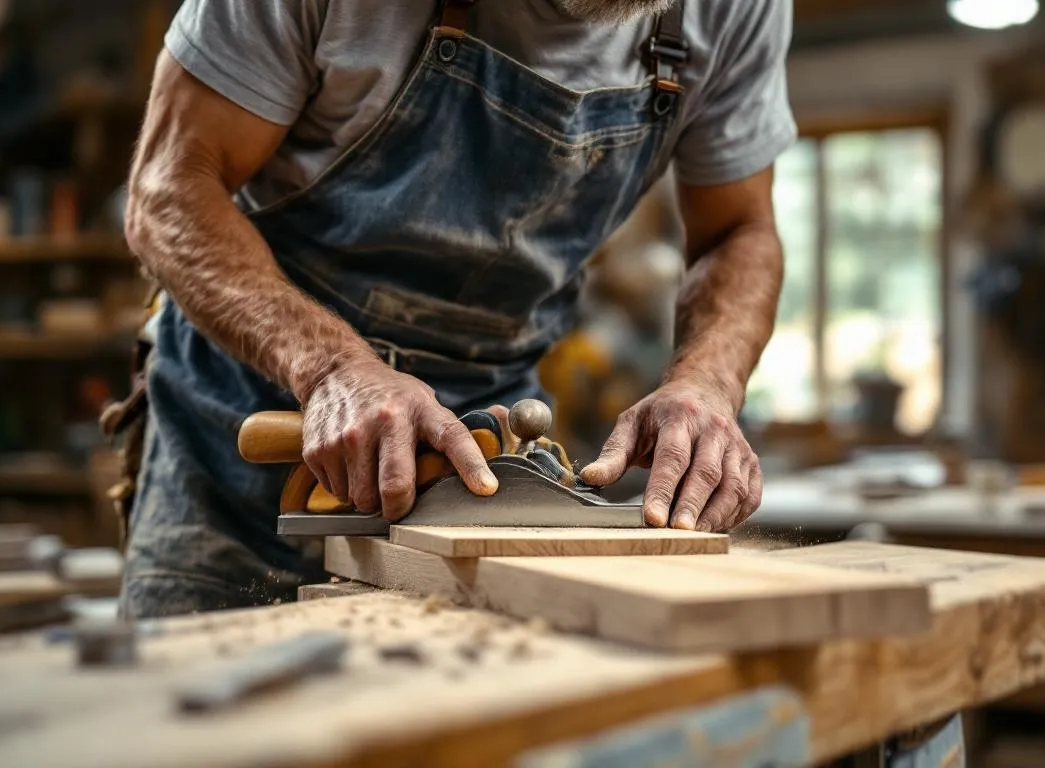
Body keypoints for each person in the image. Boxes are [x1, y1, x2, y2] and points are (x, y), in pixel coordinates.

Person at [117, 0, 793, 618]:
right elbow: (169, 187)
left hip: (483, 451)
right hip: (248, 420)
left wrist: (708, 382)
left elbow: (740, 230)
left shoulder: (736, 10)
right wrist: (329, 369)